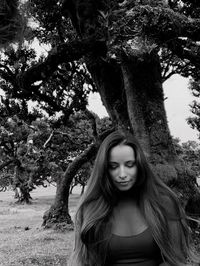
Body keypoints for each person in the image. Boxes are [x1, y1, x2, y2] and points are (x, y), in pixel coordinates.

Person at [69, 130, 199, 266]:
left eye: (129, 165)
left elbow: (175, 260)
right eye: (113, 167)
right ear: (104, 170)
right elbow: (86, 261)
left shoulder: (164, 203)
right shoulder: (91, 209)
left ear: (139, 165)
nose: (122, 174)